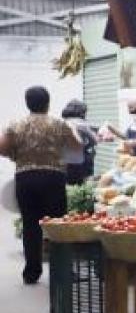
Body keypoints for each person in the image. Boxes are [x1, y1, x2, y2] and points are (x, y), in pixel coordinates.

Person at [0, 86, 82, 284]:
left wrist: (15, 155)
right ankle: (62, 271)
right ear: (48, 102)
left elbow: (2, 147)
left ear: (27, 103)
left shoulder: (16, 124)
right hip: (53, 177)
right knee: (57, 225)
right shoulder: (59, 123)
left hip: (25, 178)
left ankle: (31, 272)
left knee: (30, 225)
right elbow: (77, 146)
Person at [61, 99, 97, 185]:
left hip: (64, 160)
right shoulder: (81, 123)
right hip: (80, 161)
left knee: (68, 184)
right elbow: (94, 140)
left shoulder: (62, 122)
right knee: (82, 184)